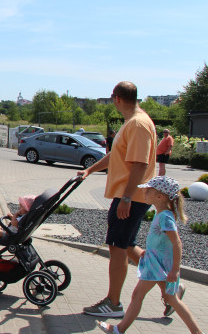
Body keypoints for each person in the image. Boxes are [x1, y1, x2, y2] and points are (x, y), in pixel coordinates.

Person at [78, 81, 157, 318]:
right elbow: (116, 155)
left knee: (118, 246)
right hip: (130, 195)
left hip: (131, 197)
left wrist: (126, 198)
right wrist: (90, 170)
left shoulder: (138, 124)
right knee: (128, 245)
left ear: (117, 98)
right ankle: (169, 286)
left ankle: (113, 303)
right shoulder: (132, 123)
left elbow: (140, 164)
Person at [98, 176, 200, 334]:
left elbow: (177, 243)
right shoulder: (162, 214)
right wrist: (148, 251)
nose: (144, 193)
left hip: (159, 267)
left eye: (148, 191)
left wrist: (175, 269)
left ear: (160, 196)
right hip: (156, 263)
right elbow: (162, 241)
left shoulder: (165, 217)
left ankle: (119, 329)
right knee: (172, 300)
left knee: (140, 295)